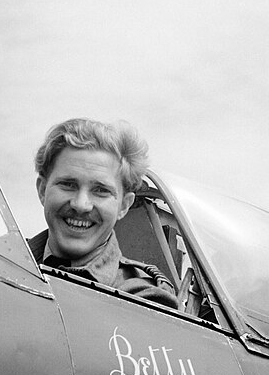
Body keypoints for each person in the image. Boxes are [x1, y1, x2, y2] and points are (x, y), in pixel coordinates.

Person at [29, 118, 178, 309]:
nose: (81, 205)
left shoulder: (143, 302)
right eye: (68, 184)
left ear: (124, 206)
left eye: (100, 190)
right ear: (42, 190)